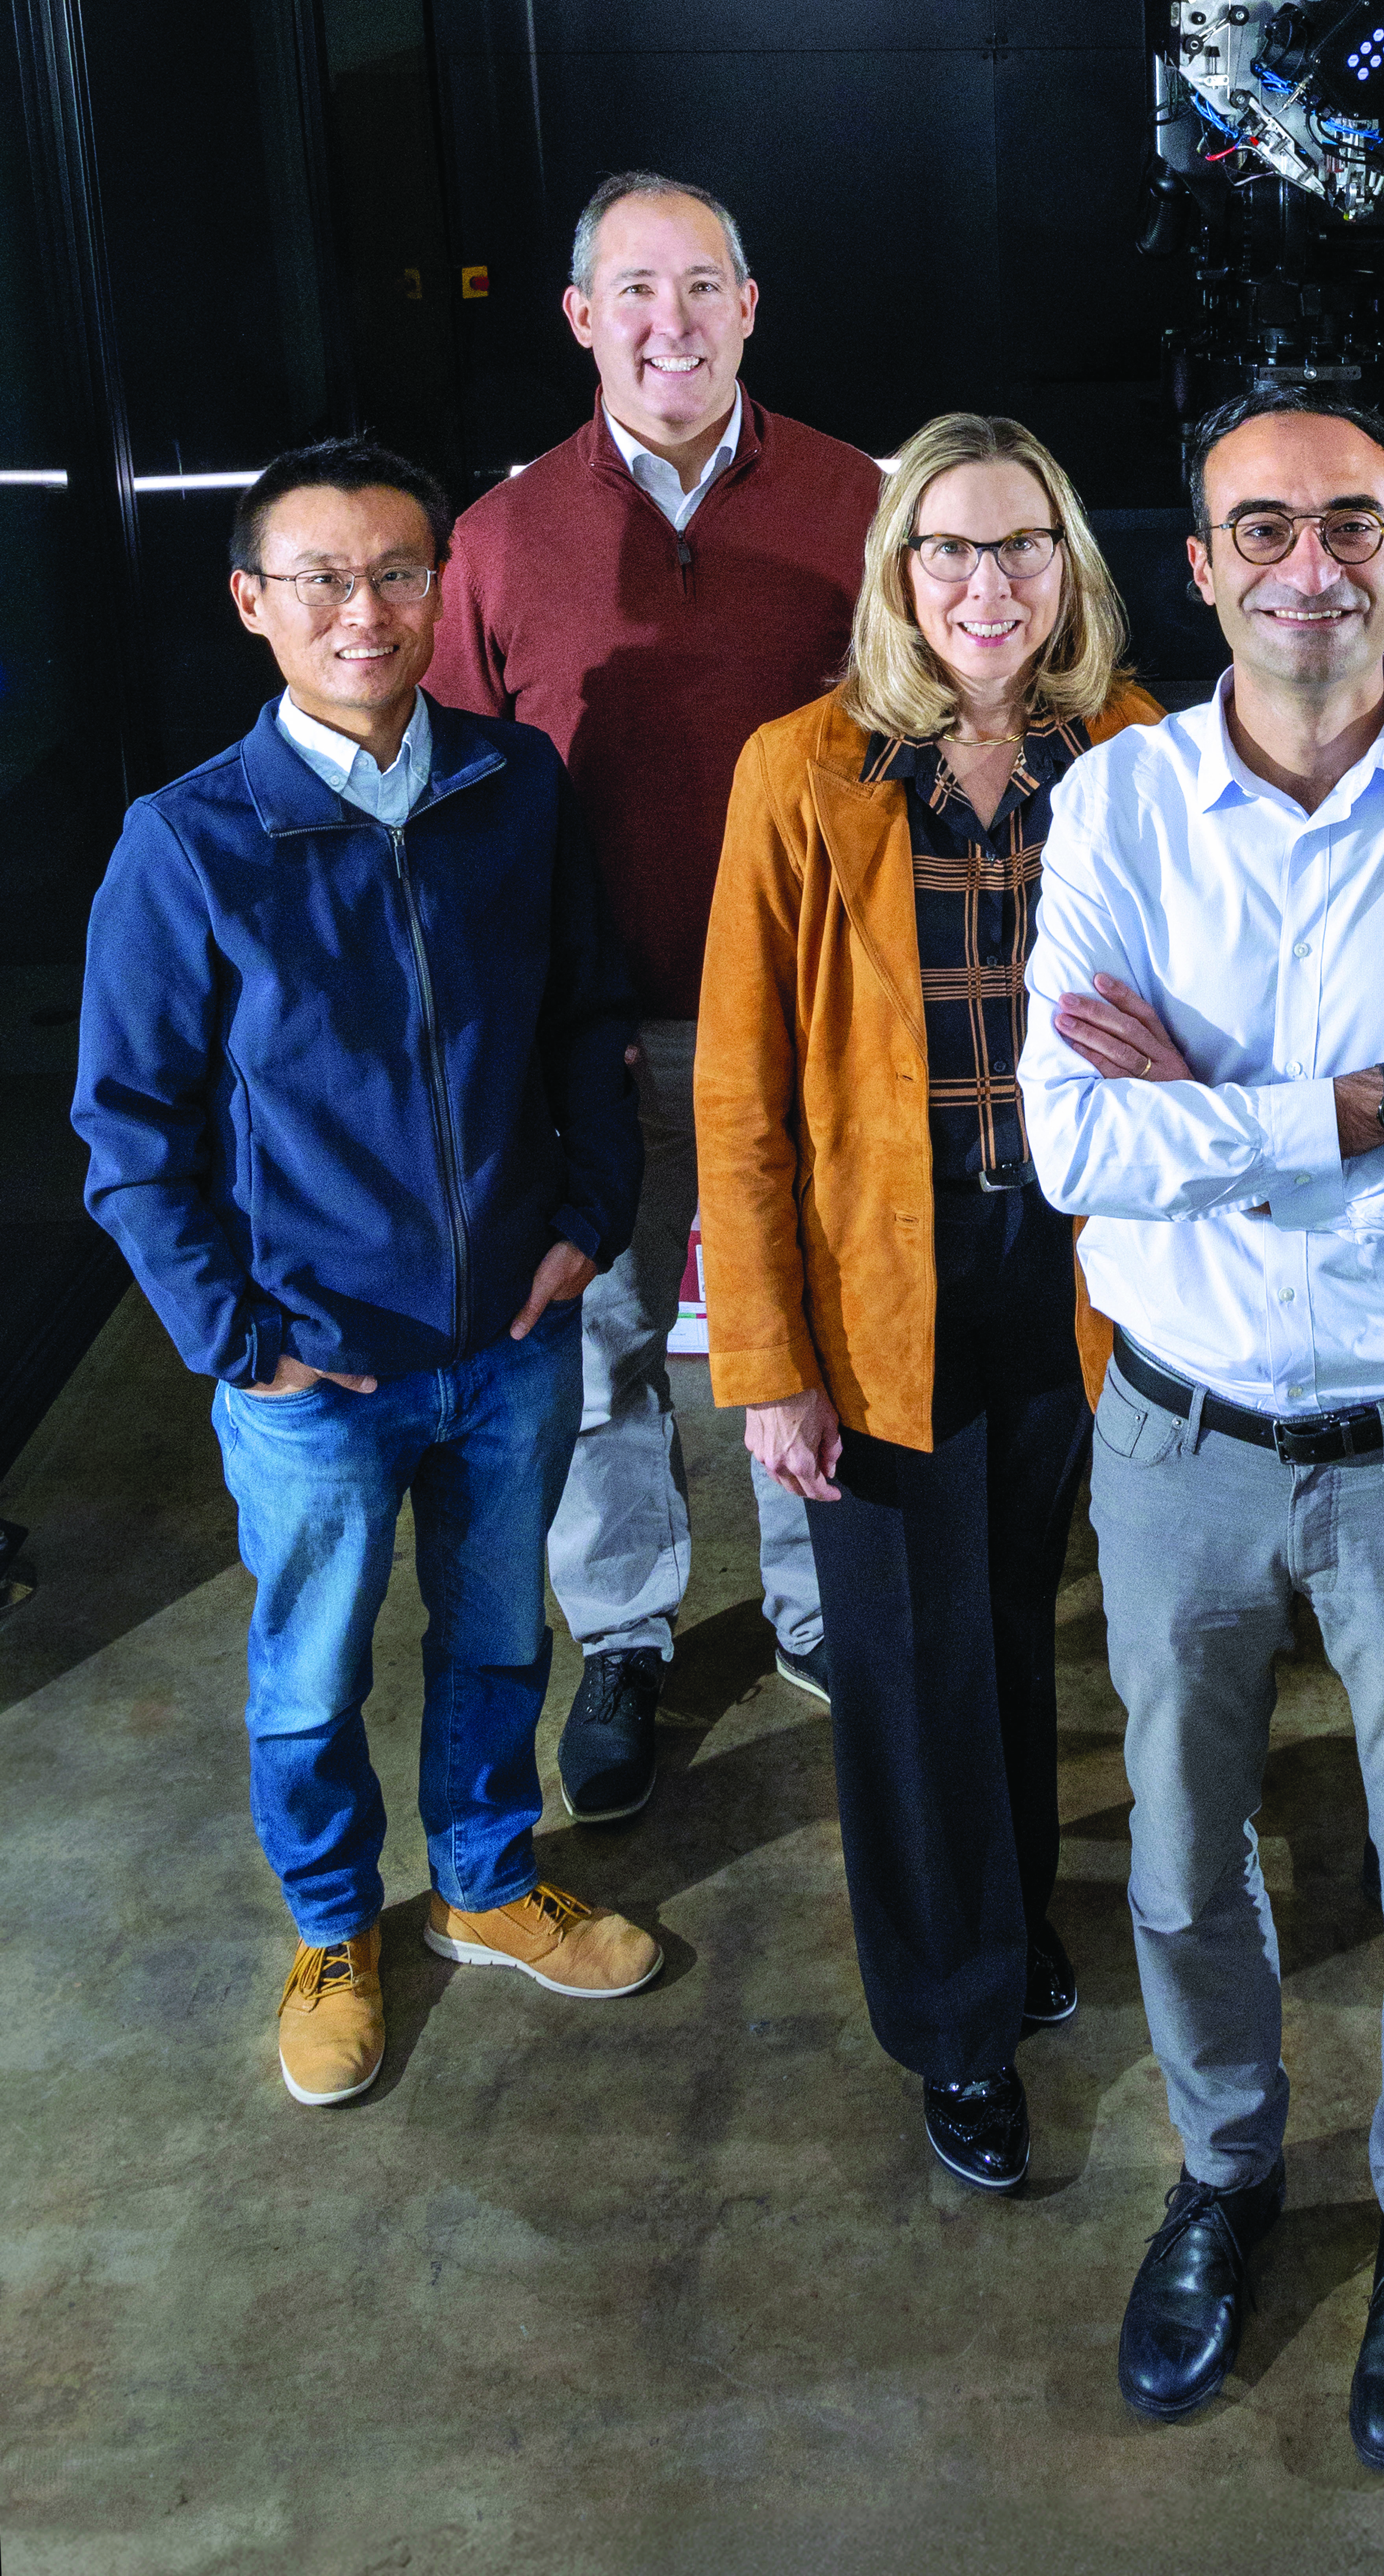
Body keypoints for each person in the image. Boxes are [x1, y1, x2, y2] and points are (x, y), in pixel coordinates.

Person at [1019, 385, 1384, 2472]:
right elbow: (1081, 1131)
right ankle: (1232, 2167)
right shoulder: (1123, 810)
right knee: (1180, 1862)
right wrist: (1371, 1103)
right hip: (1179, 1439)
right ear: (1197, 566)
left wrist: (1226, 1117)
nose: (1309, 564)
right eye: (1261, 526)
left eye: (1350, 521)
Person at [73, 437, 658, 2110]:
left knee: (494, 1634)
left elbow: (583, 1020)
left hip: (508, 1342)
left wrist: (587, 1218)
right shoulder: (190, 843)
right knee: (312, 1660)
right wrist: (236, 1340)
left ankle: (481, 1881)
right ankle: (335, 1928)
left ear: (439, 591)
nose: (364, 609)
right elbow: (127, 1129)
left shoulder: (512, 786)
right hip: (314, 1371)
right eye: (321, 577)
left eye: (398, 570)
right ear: (253, 602)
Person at [694, 415, 1157, 2194]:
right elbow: (735, 1095)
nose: (988, 583)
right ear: (896, 574)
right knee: (902, 1671)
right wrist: (767, 1362)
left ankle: (1012, 1913)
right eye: (949, 551)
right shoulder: (797, 771)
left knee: (1008, 1631)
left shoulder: (1128, 752)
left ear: (1070, 567)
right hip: (879, 1290)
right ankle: (953, 2024)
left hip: (1075, 1274)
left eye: (1021, 546)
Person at [428, 171, 883, 1824]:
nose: (669, 321)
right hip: (601, 1037)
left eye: (701, 287)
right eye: (633, 289)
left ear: (750, 307)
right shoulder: (496, 540)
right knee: (603, 1346)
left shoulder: (862, 505)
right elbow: (461, 810)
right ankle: (622, 1631)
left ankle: (824, 1615)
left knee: (808, 1331)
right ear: (579, 318)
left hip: (818, 1028)